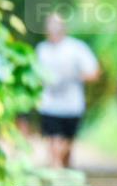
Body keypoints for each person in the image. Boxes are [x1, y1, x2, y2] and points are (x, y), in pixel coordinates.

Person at [35, 12, 101, 169]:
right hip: (49, 105)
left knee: (66, 145)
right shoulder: (41, 50)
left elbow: (94, 72)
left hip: (72, 106)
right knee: (53, 142)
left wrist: (75, 76)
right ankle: (56, 171)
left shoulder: (76, 48)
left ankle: (61, 170)